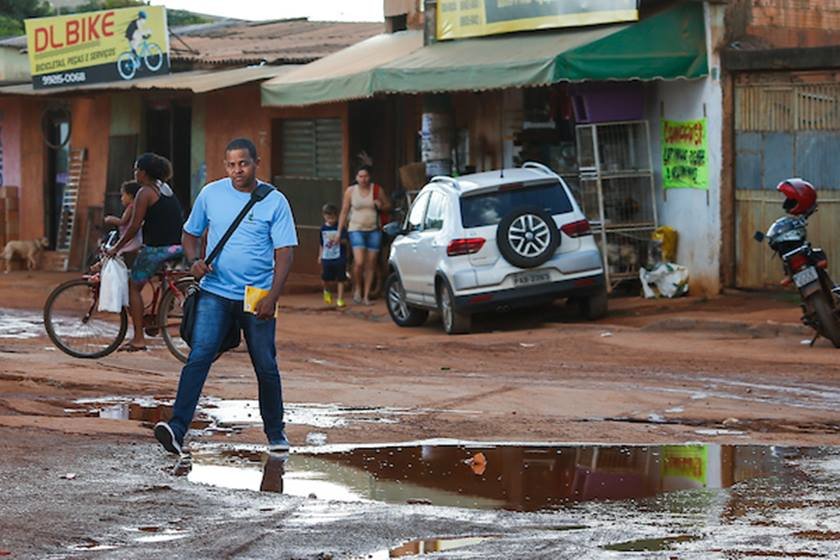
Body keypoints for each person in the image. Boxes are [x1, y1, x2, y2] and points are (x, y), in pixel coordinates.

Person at [153, 137, 297, 456]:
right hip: (215, 291)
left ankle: (276, 432)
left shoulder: (274, 201)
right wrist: (194, 261)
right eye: (231, 165)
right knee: (200, 355)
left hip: (257, 294)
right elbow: (190, 234)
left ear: (256, 162)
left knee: (265, 364)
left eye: (243, 163)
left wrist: (272, 296)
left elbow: (285, 252)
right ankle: (177, 429)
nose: (237, 170)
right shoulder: (211, 194)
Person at [107, 153, 184, 352]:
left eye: (136, 169)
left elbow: (133, 226)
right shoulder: (165, 189)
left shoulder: (145, 192)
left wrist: (117, 248)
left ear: (142, 172)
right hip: (176, 246)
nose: (135, 173)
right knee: (155, 277)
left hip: (157, 249)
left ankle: (138, 339)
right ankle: (158, 311)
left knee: (133, 287)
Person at [337, 165, 390, 305]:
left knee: (371, 263)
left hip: (374, 229)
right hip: (356, 228)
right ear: (356, 178)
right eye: (360, 176)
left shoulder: (377, 190)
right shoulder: (351, 191)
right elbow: (344, 211)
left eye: (365, 176)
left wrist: (381, 205)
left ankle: (366, 295)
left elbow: (388, 206)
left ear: (369, 177)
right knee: (359, 262)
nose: (363, 179)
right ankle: (357, 289)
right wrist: (339, 231)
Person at [103, 180, 143, 262]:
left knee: (121, 255)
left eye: (123, 195)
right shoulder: (135, 206)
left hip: (130, 240)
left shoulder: (131, 207)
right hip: (134, 239)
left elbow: (122, 222)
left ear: (130, 196)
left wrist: (111, 219)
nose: (121, 198)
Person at [318, 203, 349, 308]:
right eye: (328, 217)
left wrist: (339, 239)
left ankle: (340, 298)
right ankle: (327, 290)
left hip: (339, 256)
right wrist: (320, 255)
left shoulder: (340, 228)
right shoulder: (323, 229)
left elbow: (345, 241)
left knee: (341, 278)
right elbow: (321, 244)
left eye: (333, 217)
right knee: (326, 278)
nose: (331, 219)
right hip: (327, 256)